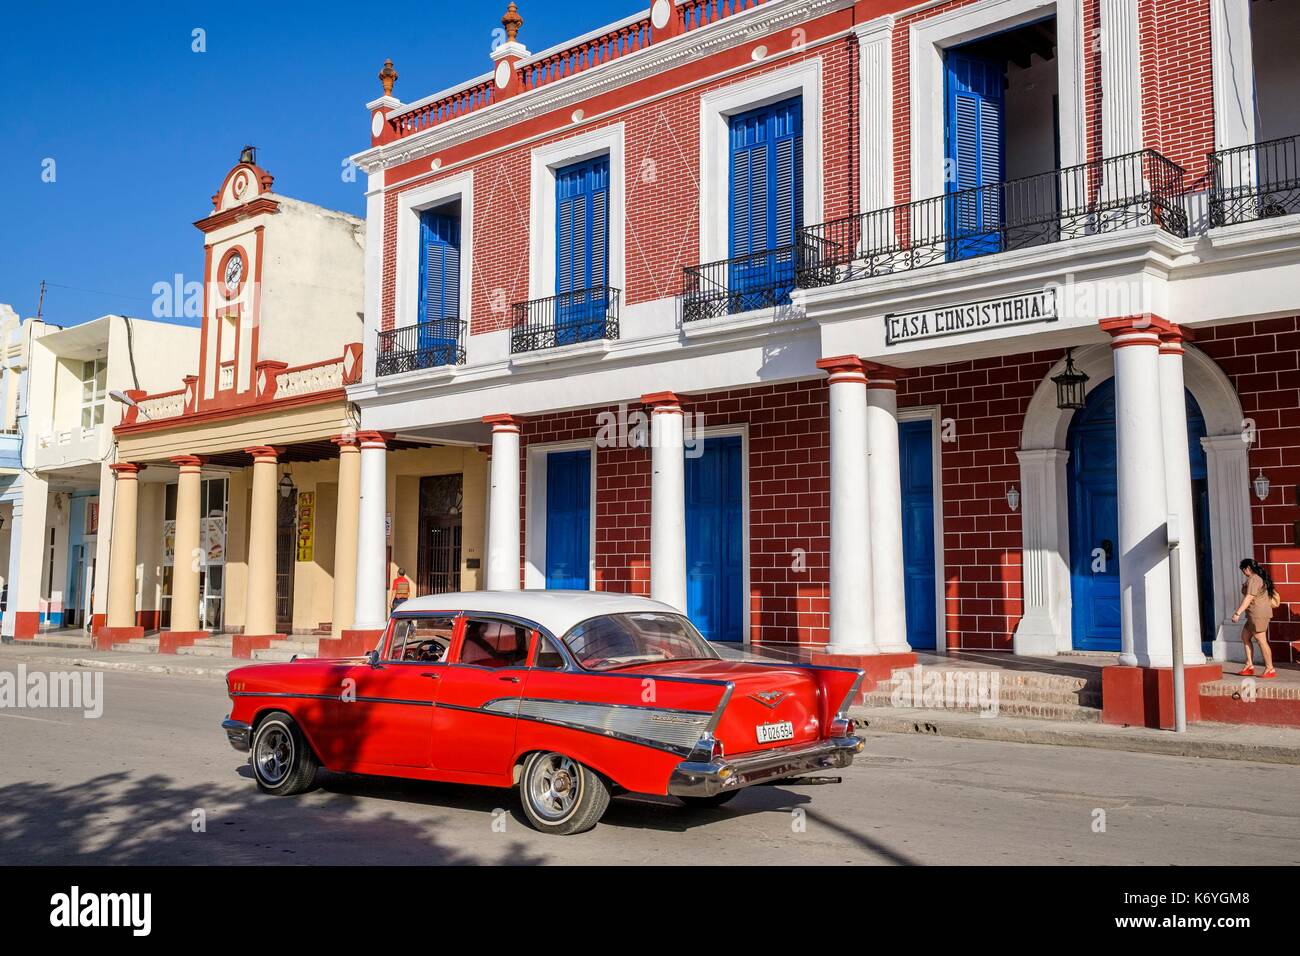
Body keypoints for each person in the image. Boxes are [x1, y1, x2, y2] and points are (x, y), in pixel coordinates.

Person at [1231, 558, 1278, 679]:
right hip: (1253, 614)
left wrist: (1237, 613)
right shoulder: (1253, 579)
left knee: (1261, 640)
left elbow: (1249, 597)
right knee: (1245, 637)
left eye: (1243, 570)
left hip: (1258, 614)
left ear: (1247, 568)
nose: (1243, 572)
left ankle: (1270, 668)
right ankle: (1249, 666)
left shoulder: (1254, 579)